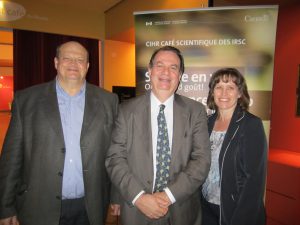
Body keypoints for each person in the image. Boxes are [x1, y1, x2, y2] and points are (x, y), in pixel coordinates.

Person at [0, 41, 119, 225]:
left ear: (87, 66)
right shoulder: (26, 100)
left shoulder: (108, 101)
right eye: (67, 58)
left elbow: (115, 154)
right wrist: (5, 206)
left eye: (80, 59)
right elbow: (11, 158)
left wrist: (115, 197)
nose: (73, 63)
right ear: (56, 62)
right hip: (39, 206)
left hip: (91, 206)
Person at [106, 45, 211, 225]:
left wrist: (168, 196)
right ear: (149, 70)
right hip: (136, 210)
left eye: (173, 67)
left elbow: (201, 161)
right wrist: (139, 197)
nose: (166, 72)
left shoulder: (196, 111)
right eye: (159, 65)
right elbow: (115, 159)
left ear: (180, 75)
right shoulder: (126, 110)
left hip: (181, 210)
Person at [201, 68, 267, 225]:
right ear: (212, 92)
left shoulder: (251, 124)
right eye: (218, 87)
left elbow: (254, 180)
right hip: (204, 208)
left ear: (239, 93)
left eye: (230, 87)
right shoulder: (205, 123)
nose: (224, 93)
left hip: (234, 210)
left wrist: (241, 218)